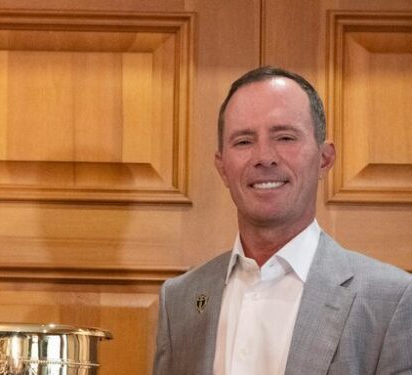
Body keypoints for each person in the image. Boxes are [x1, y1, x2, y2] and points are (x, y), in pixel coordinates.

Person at [153, 66, 412, 375]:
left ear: (324, 159)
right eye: (244, 141)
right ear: (222, 168)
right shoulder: (180, 299)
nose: (265, 156)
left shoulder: (392, 300)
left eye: (285, 137)